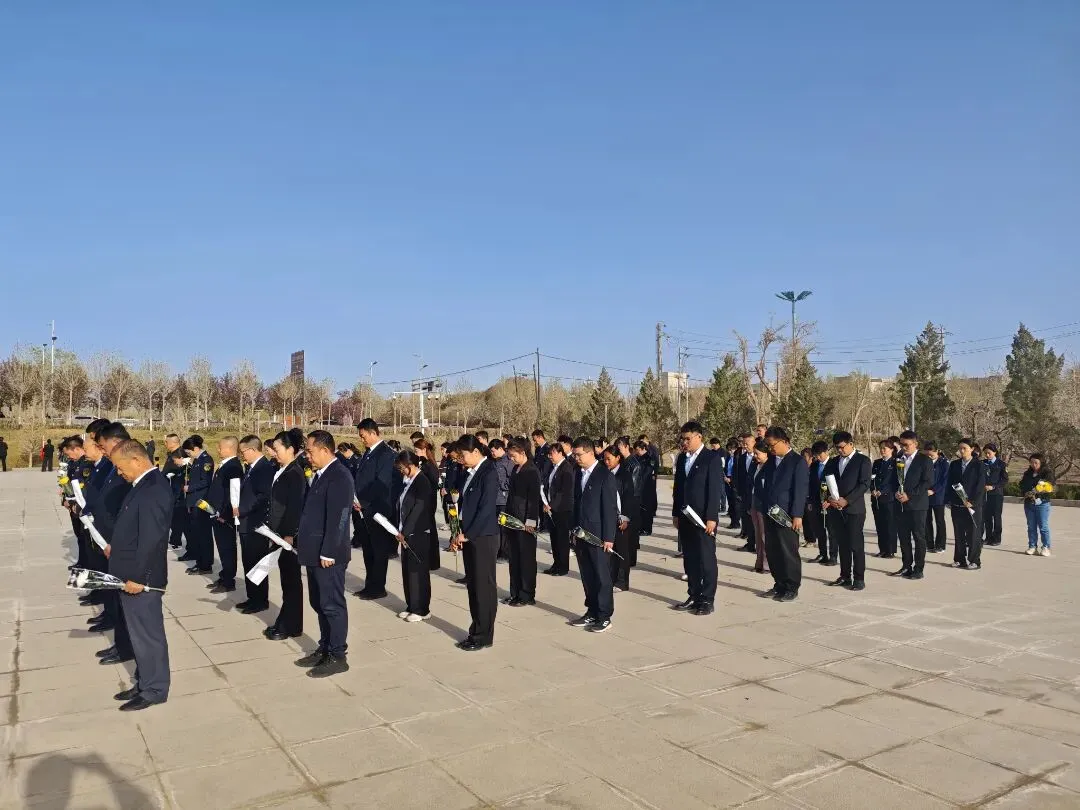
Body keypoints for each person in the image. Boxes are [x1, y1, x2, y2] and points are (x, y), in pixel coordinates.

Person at [107, 440, 172, 711]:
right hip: (129, 575)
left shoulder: (154, 488)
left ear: (136, 460)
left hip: (142, 579)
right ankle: (144, 680)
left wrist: (139, 577)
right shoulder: (141, 485)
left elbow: (151, 539)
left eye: (120, 467)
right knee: (138, 635)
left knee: (148, 636)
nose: (119, 473)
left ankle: (155, 689)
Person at [294, 430, 353, 678]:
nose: (307, 456)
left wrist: (329, 551)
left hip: (329, 555)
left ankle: (338, 655)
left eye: (310, 451)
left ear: (325, 450)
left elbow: (340, 518)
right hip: (314, 551)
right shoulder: (321, 474)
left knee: (332, 605)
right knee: (318, 603)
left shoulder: (339, 476)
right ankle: (325, 647)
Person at [449, 434, 500, 651]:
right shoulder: (469, 472)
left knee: (484, 588)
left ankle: (483, 635)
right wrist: (458, 532)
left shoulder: (489, 472)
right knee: (474, 587)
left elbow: (486, 509)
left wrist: (467, 534)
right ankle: (475, 630)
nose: (460, 459)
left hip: (483, 537)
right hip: (469, 535)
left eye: (463, 455)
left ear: (476, 452)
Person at [671, 421, 724, 616]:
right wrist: (675, 513)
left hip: (703, 519)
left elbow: (715, 490)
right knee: (690, 558)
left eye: (688, 439)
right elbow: (678, 488)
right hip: (685, 517)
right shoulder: (682, 458)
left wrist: (712, 517)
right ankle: (693, 595)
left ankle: (707, 599)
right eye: (682, 439)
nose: (684, 442)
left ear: (699, 437)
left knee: (706, 559)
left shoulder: (711, 458)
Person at [569, 436, 618, 632]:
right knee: (587, 575)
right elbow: (576, 503)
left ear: (590, 453)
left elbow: (610, 509)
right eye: (574, 455)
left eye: (579, 455)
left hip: (598, 536)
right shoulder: (578, 474)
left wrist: (609, 538)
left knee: (601, 576)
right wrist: (573, 530)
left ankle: (604, 615)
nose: (576, 458)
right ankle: (592, 611)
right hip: (582, 533)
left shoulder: (605, 475)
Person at [265, 429, 307, 640]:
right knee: (286, 580)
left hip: (287, 536)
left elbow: (294, 507)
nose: (274, 452)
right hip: (277, 533)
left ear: (290, 449)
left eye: (277, 448)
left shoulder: (295, 473)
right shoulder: (283, 470)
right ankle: (290, 622)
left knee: (291, 580)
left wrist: (289, 534)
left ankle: (289, 625)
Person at [760, 426, 808, 602]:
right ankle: (779, 583)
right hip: (770, 513)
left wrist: (797, 515)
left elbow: (800, 491)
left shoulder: (797, 462)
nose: (770, 449)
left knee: (788, 551)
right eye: (768, 446)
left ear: (785, 442)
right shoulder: (771, 461)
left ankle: (791, 586)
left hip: (787, 514)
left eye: (772, 445)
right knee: (773, 551)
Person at [352, 418, 396, 600]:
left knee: (378, 551)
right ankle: (369, 585)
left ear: (373, 433)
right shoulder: (368, 453)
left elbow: (381, 483)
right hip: (363, 510)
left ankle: (378, 587)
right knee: (368, 550)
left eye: (363, 436)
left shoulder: (386, 454)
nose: (362, 440)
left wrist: (363, 501)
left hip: (377, 510)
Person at [823, 431, 872, 591]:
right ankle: (845, 576)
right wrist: (829, 498)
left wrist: (847, 500)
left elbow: (864, 484)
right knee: (842, 544)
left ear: (851, 444)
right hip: (836, 509)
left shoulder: (862, 461)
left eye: (842, 447)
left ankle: (859, 578)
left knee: (855, 545)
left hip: (854, 509)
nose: (840, 450)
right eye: (837, 448)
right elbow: (825, 481)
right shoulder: (833, 462)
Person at [393, 450, 436, 621]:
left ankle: (421, 609)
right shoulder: (409, 481)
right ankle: (411, 605)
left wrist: (406, 531)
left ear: (410, 465)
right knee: (408, 571)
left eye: (402, 468)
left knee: (418, 572)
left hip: (417, 532)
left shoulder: (422, 482)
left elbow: (418, 509)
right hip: (406, 532)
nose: (401, 471)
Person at [236, 435, 275, 612]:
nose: (242, 455)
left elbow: (263, 496)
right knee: (248, 562)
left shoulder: (264, 468)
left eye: (243, 451)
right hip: (246, 522)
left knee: (257, 563)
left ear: (252, 449)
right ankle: (252, 597)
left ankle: (260, 601)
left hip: (256, 524)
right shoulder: (251, 468)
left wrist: (242, 509)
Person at [890, 430, 934, 580]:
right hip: (900, 504)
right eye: (901, 444)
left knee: (919, 537)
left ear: (915, 444)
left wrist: (910, 494)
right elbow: (893, 480)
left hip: (917, 505)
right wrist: (895, 492)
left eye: (906, 445)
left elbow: (927, 482)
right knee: (903, 538)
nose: (903, 447)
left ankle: (918, 568)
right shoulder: (897, 459)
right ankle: (906, 566)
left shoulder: (924, 460)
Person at [503, 439, 542, 606]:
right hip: (512, 520)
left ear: (523, 452)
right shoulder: (515, 469)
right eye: (510, 456)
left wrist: (531, 522)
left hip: (526, 522)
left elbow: (534, 499)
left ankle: (527, 595)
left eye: (514, 456)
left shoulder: (532, 471)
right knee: (514, 558)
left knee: (526, 559)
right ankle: (515, 593)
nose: (511, 459)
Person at [206, 437, 243, 594]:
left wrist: (226, 514)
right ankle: (224, 575)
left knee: (227, 548)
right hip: (216, 513)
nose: (218, 449)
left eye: (220, 447)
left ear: (229, 448)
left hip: (224, 516)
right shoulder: (225, 465)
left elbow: (233, 494)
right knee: (222, 548)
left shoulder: (233, 467)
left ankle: (229, 581)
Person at [947, 438, 986, 570]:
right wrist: (949, 499)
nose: (962, 451)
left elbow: (980, 486)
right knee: (958, 533)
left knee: (973, 533)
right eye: (960, 448)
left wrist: (972, 501)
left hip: (972, 505)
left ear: (972, 449)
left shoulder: (979, 465)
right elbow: (949, 482)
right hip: (957, 504)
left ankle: (974, 560)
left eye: (965, 448)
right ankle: (959, 559)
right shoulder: (954, 464)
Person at [181, 435, 215, 575]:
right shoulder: (197, 460)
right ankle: (200, 562)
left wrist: (190, 488)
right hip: (194, 501)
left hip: (201, 502)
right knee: (198, 534)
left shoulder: (206, 460)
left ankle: (206, 565)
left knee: (204, 534)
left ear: (195, 448)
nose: (188, 455)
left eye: (189, 452)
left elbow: (206, 481)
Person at [543, 441, 575, 576]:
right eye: (549, 454)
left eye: (552, 454)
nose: (550, 456)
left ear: (560, 453)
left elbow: (564, 491)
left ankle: (563, 567)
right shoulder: (553, 467)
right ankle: (556, 564)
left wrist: (552, 505)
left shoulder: (566, 467)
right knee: (554, 538)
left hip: (562, 509)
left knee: (562, 539)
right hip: (551, 508)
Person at [412, 437, 442, 571]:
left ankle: (433, 561)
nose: (416, 453)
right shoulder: (422, 464)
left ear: (424, 450)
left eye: (417, 450)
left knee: (431, 531)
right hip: (422, 500)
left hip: (428, 501)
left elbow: (433, 483)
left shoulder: (430, 465)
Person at [616, 437, 644, 568]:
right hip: (623, 500)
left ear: (627, 447)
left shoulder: (634, 464)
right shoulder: (623, 462)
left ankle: (630, 560)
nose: (618, 451)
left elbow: (633, 488)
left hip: (632, 501)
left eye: (620, 448)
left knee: (631, 533)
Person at [806, 441, 836, 565]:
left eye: (820, 455)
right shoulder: (814, 465)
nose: (818, 457)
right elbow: (810, 484)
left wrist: (830, 500)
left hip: (830, 503)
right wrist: (809, 501)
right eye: (816, 455)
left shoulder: (834, 464)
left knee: (832, 531)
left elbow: (837, 485)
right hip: (816, 502)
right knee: (819, 530)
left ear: (826, 451)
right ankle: (823, 554)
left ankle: (833, 556)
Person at [1020, 453, 1053, 556]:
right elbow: (1022, 485)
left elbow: (1051, 486)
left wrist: (1039, 490)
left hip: (1042, 503)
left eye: (1036, 463)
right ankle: (1032, 546)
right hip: (1029, 503)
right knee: (1031, 526)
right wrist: (1026, 492)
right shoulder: (1027, 473)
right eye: (1032, 462)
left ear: (1041, 463)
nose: (1033, 465)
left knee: (1043, 526)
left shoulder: (1047, 473)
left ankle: (1046, 547)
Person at [871, 440, 899, 559]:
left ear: (891, 449)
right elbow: (872, 479)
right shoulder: (877, 463)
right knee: (880, 525)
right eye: (881, 448)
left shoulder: (896, 463)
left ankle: (890, 550)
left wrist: (882, 491)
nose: (882, 451)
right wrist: (872, 489)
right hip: (876, 499)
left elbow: (895, 482)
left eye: (885, 448)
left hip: (889, 499)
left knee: (890, 525)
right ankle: (882, 549)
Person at [488, 439, 514, 561]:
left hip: (504, 500)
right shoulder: (494, 461)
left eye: (493, 451)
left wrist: (501, 485)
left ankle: (505, 553)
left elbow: (512, 480)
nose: (492, 453)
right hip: (494, 499)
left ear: (500, 449)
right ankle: (498, 551)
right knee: (496, 527)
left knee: (504, 527)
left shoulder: (509, 461)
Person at [160, 435, 186, 550]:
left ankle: (176, 541)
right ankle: (174, 540)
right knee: (173, 517)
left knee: (177, 517)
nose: (165, 444)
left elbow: (182, 473)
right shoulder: (172, 454)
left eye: (166, 442)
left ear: (172, 443)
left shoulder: (180, 454)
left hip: (177, 491)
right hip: (171, 490)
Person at [749, 440, 770, 574]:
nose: (755, 456)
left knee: (764, 536)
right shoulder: (756, 466)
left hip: (764, 505)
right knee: (757, 535)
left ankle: (767, 565)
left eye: (757, 453)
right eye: (754, 453)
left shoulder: (770, 467)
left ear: (766, 453)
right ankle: (759, 562)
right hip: (754, 503)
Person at [924, 441, 949, 553]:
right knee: (926, 521)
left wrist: (933, 490)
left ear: (937, 451)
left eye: (931, 455)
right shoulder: (923, 462)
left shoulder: (944, 463)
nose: (929, 457)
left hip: (938, 496)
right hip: (925, 495)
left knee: (940, 521)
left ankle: (940, 545)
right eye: (927, 455)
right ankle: (929, 544)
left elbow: (944, 480)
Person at [734, 433, 756, 551]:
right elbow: (738, 475)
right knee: (747, 519)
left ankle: (760, 545)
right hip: (745, 493)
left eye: (747, 444)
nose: (745, 446)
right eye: (743, 444)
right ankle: (750, 543)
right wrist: (738, 490)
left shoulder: (759, 457)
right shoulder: (741, 458)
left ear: (754, 443)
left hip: (756, 494)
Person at [982, 444, 1007, 547]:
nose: (987, 455)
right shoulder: (983, 463)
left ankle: (997, 538)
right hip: (985, 494)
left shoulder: (1001, 464)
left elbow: (1004, 480)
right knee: (987, 517)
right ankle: (988, 537)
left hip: (996, 494)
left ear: (995, 452)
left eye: (989, 453)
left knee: (996, 516)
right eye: (985, 453)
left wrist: (993, 487)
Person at [633, 440, 658, 535]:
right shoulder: (637, 458)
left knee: (647, 509)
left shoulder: (650, 458)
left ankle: (647, 529)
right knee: (640, 508)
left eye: (638, 450)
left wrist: (639, 482)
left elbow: (648, 472)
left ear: (643, 448)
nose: (637, 452)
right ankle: (641, 527)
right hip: (639, 487)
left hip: (647, 487)